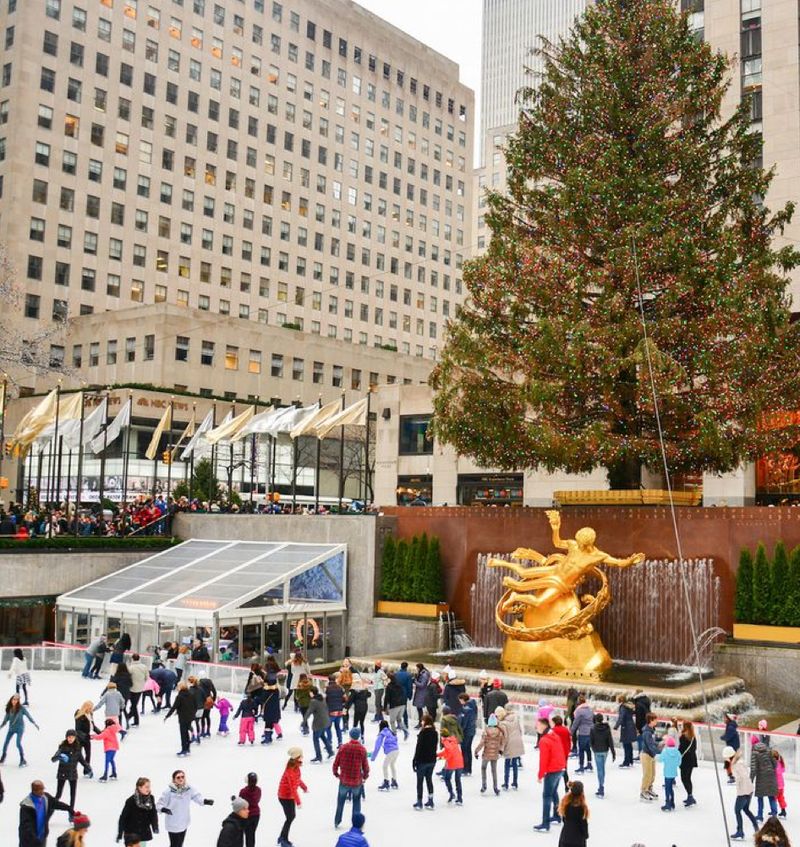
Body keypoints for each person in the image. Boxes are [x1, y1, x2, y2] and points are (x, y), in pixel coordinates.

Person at [158, 769, 213, 847]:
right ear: (174, 779)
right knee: (174, 845)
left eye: (182, 777)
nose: (181, 779)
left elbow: (196, 796)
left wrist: (204, 801)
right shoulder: (168, 792)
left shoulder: (188, 788)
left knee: (180, 844)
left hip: (184, 822)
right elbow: (160, 803)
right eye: (178, 777)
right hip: (173, 823)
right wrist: (163, 809)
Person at [332, 727, 370, 829]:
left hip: (344, 780)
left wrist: (336, 773)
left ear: (350, 736)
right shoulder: (362, 749)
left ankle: (337, 821)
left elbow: (336, 763)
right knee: (356, 802)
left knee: (340, 802)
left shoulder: (343, 748)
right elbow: (365, 766)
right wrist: (365, 776)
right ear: (358, 737)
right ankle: (356, 824)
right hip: (356, 781)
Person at [535, 717, 567, 832]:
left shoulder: (544, 740)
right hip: (561, 768)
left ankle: (545, 822)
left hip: (553, 770)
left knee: (547, 795)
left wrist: (540, 775)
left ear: (543, 725)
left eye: (538, 725)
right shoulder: (554, 736)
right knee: (553, 793)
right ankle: (557, 815)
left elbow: (544, 760)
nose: (536, 727)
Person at [18, 780, 71, 847]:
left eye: (43, 789)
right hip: (28, 841)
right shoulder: (26, 806)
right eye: (40, 790)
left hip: (41, 838)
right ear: (34, 791)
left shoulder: (45, 798)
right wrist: (34, 840)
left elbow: (56, 804)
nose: (42, 792)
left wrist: (69, 809)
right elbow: (26, 827)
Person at [725, 746, 759, 840]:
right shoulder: (740, 762)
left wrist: (737, 780)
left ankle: (740, 831)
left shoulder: (736, 765)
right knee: (746, 809)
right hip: (749, 790)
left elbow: (742, 776)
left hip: (743, 792)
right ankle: (756, 827)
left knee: (737, 810)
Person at [51, 729, 89, 814]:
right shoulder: (62, 747)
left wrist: (88, 767)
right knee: (58, 794)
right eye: (69, 737)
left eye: (72, 737)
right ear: (66, 737)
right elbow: (53, 759)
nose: (70, 739)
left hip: (73, 774)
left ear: (75, 738)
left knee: (72, 795)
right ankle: (50, 808)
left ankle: (71, 813)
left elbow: (81, 759)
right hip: (62, 773)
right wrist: (59, 757)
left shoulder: (78, 747)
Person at [277, 747, 307, 847]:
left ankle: (283, 837)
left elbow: (298, 779)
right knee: (290, 817)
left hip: (289, 796)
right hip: (284, 796)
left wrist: (304, 787)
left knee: (290, 817)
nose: (302, 757)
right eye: (301, 756)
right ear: (297, 757)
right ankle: (283, 839)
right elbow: (292, 787)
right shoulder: (290, 771)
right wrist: (298, 802)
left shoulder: (296, 767)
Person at [117, 777, 159, 844]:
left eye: (149, 787)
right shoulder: (131, 801)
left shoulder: (150, 798)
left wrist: (155, 826)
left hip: (143, 832)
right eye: (146, 787)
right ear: (139, 787)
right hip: (131, 834)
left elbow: (153, 814)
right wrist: (120, 833)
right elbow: (123, 818)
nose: (149, 789)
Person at [1, 693, 38, 765]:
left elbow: (28, 715)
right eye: (13, 700)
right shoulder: (9, 709)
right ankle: (3, 757)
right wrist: (1, 726)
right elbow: (5, 720)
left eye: (16, 700)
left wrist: (34, 723)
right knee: (5, 743)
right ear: (11, 700)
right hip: (11, 728)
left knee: (18, 743)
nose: (14, 701)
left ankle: (22, 759)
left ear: (18, 701)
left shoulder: (21, 708)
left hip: (19, 728)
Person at [412, 714, 438, 810]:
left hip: (422, 760)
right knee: (429, 780)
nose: (421, 722)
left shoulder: (423, 733)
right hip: (432, 760)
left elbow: (419, 748)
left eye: (423, 721)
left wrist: (415, 760)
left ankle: (419, 802)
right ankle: (431, 801)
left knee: (420, 781)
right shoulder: (435, 733)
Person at [164, 682, 197, 757]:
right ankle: (187, 748)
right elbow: (195, 705)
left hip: (183, 718)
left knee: (183, 733)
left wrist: (167, 716)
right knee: (187, 733)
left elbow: (174, 707)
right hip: (190, 717)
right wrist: (193, 715)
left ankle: (184, 749)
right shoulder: (191, 694)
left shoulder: (179, 696)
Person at [496, 706, 524, 790]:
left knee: (507, 763)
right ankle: (515, 783)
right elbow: (520, 730)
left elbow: (505, 737)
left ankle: (506, 783)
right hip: (517, 741)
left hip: (509, 744)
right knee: (515, 763)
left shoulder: (503, 723)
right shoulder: (515, 718)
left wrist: (501, 749)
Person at [751, 739, 779, 821]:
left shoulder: (754, 754)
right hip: (771, 777)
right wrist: (771, 771)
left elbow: (753, 769)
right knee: (771, 797)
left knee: (760, 798)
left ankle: (760, 815)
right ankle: (774, 814)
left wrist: (750, 780)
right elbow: (775, 763)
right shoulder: (769, 751)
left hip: (761, 779)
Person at [475, 713, 502, 795]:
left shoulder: (486, 731)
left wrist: (476, 751)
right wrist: (500, 751)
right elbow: (502, 742)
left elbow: (482, 743)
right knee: (494, 771)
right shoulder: (499, 732)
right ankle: (495, 787)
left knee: (483, 768)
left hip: (486, 754)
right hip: (495, 754)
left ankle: (484, 786)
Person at [589, 713, 615, 797]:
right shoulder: (607, 728)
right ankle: (601, 785)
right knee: (602, 768)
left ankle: (601, 787)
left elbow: (591, 741)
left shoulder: (593, 729)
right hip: (605, 751)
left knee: (600, 769)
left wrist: (593, 748)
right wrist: (613, 752)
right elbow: (610, 741)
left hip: (597, 751)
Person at [557, 780, 589, 847]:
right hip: (578, 840)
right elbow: (583, 824)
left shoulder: (566, 805)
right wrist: (586, 835)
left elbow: (564, 819)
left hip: (565, 837)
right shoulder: (582, 808)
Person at [437, 732, 464, 805]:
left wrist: (442, 758)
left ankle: (451, 793)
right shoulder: (453, 740)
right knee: (458, 780)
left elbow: (449, 751)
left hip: (452, 763)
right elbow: (446, 751)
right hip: (460, 762)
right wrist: (437, 755)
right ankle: (460, 798)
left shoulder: (446, 741)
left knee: (447, 778)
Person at [371, 719, 399, 790]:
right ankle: (394, 781)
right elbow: (395, 739)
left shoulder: (382, 734)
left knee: (384, 766)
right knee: (392, 765)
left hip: (391, 751)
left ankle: (386, 782)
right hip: (397, 750)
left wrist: (373, 757)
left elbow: (377, 747)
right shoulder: (390, 732)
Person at [91, 717, 122, 782]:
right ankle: (114, 773)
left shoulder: (107, 730)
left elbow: (100, 737)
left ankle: (105, 775)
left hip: (109, 748)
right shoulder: (113, 730)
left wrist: (92, 736)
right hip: (114, 748)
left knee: (107, 761)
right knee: (111, 760)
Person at [307, 690, 335, 762]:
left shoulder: (314, 702)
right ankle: (330, 752)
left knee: (315, 739)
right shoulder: (322, 699)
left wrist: (304, 721)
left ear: (312, 693)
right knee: (323, 736)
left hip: (319, 723)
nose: (309, 693)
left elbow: (309, 712)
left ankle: (318, 757)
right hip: (326, 721)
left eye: (310, 692)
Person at [656, 735, 681, 812]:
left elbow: (660, 760)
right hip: (673, 773)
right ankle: (672, 803)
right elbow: (679, 763)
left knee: (667, 788)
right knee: (671, 788)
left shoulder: (665, 751)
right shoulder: (677, 752)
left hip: (667, 773)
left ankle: (668, 804)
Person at [73, 703, 98, 778]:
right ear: (86, 707)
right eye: (90, 708)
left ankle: (86, 771)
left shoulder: (90, 714)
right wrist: (86, 736)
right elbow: (77, 729)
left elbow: (93, 726)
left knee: (88, 754)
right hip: (79, 738)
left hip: (87, 738)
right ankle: (73, 770)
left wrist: (101, 733)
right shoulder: (79, 715)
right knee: (78, 756)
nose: (91, 709)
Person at [639, 713, 660, 801]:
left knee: (652, 774)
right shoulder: (647, 732)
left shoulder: (651, 730)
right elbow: (650, 745)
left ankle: (649, 788)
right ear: (651, 720)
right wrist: (661, 752)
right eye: (655, 719)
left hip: (651, 755)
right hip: (646, 755)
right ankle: (643, 791)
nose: (657, 721)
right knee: (647, 774)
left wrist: (661, 741)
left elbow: (653, 741)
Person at [571, 696, 594, 774]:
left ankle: (581, 767)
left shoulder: (579, 711)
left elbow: (576, 722)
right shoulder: (590, 709)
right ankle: (589, 765)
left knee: (581, 750)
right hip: (591, 732)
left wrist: (571, 732)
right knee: (588, 749)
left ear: (579, 702)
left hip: (583, 733)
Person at [458, 692, 478, 776]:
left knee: (464, 750)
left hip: (466, 732)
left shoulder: (466, 709)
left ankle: (465, 769)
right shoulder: (473, 706)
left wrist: (459, 732)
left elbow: (464, 723)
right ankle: (468, 769)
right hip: (472, 731)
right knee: (468, 750)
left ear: (463, 700)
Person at [237, 773, 260, 847]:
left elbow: (240, 803)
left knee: (247, 836)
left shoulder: (243, 791)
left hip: (247, 816)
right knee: (251, 835)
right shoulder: (258, 790)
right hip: (256, 815)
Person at [679, 720, 698, 807]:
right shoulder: (693, 737)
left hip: (685, 761)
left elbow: (681, 749)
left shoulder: (683, 737)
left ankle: (690, 796)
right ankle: (690, 795)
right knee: (688, 778)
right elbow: (694, 749)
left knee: (684, 778)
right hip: (691, 760)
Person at [614, 695, 636, 768]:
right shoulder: (628, 706)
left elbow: (621, 717)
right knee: (629, 745)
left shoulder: (623, 707)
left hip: (626, 727)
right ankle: (630, 761)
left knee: (626, 745)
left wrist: (616, 726)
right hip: (631, 725)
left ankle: (626, 762)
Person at [384, 672, 408, 739]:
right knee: (399, 719)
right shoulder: (399, 684)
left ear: (389, 679)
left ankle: (394, 735)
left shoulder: (389, 687)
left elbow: (387, 698)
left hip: (394, 705)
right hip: (402, 704)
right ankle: (405, 730)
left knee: (392, 721)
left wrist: (384, 707)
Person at [552, 715, 573, 791]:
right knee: (564, 770)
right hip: (564, 753)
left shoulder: (553, 731)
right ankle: (567, 787)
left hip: (555, 753)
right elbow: (569, 741)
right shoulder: (566, 730)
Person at [127, 655, 149, 728]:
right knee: (134, 704)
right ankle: (133, 718)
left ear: (132, 659)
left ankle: (130, 716)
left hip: (132, 689)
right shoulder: (144, 667)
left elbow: (128, 677)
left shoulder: (131, 667)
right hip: (140, 688)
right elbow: (147, 677)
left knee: (133, 705)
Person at [326, 675, 347, 747]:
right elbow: (345, 698)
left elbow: (325, 699)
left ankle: (329, 742)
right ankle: (340, 742)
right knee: (337, 727)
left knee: (328, 727)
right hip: (339, 710)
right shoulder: (340, 688)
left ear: (328, 680)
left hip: (331, 710)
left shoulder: (327, 689)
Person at [722, 713, 741, 784]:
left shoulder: (730, 727)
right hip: (731, 748)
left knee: (729, 763)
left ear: (729, 719)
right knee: (730, 763)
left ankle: (732, 777)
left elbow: (727, 737)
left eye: (725, 718)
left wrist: (722, 737)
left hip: (732, 749)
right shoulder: (730, 726)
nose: (724, 719)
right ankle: (732, 776)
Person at [394, 662, 414, 730]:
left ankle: (399, 724)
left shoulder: (396, 674)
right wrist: (410, 695)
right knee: (404, 710)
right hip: (404, 694)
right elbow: (409, 686)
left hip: (396, 694)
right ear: (406, 667)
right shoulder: (408, 675)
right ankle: (405, 724)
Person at [632, 690, 651, 759]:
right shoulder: (647, 699)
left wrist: (638, 728)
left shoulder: (638, 703)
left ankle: (641, 754)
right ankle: (645, 753)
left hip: (642, 723)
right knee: (645, 739)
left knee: (640, 739)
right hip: (647, 722)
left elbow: (639, 716)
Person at [772, 749, 787, 818]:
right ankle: (783, 811)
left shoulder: (776, 764)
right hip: (781, 785)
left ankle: (774, 811)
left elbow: (777, 772)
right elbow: (783, 770)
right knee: (781, 798)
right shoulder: (780, 763)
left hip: (776, 786)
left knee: (773, 799)